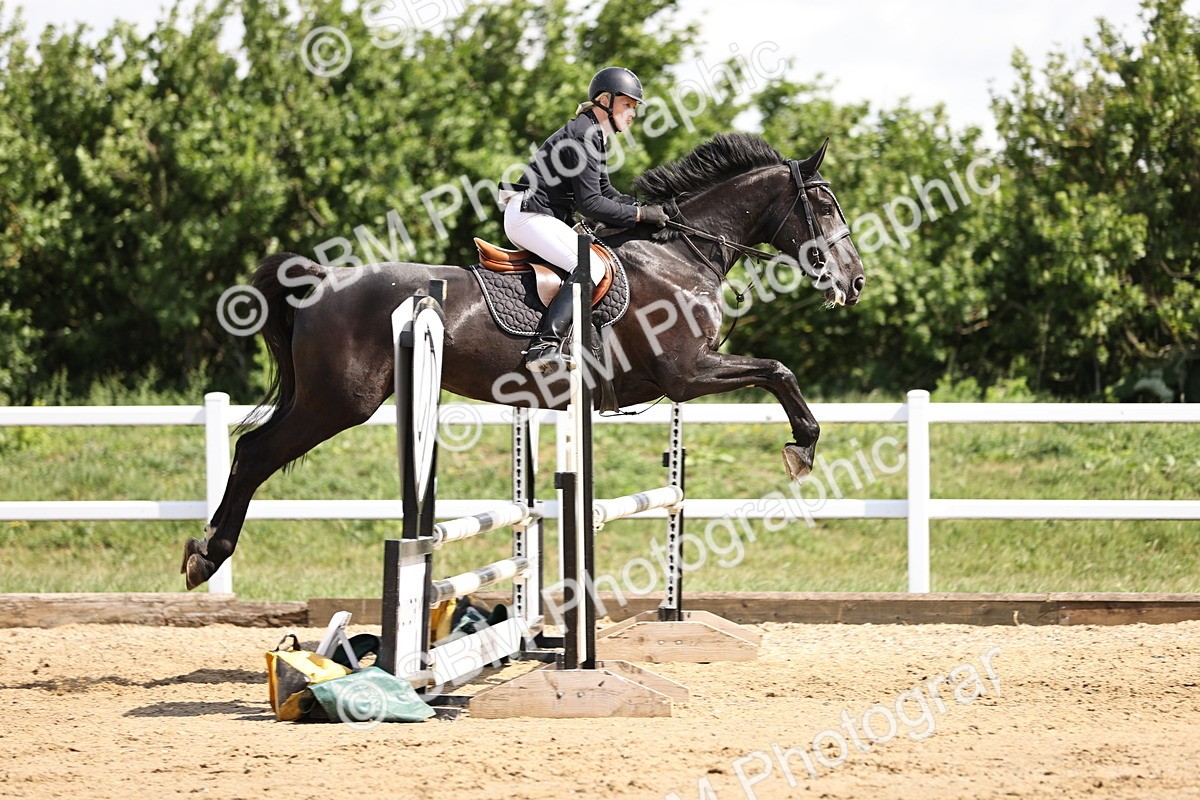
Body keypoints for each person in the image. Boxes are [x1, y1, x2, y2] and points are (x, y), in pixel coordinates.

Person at [500, 66, 670, 373]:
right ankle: (544, 345)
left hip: (539, 214)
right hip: (530, 215)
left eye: (634, 107)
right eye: (627, 104)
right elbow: (590, 204)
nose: (632, 113)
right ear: (605, 99)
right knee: (590, 266)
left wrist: (641, 208)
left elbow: (605, 191)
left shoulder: (593, 133)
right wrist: (640, 215)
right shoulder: (584, 135)